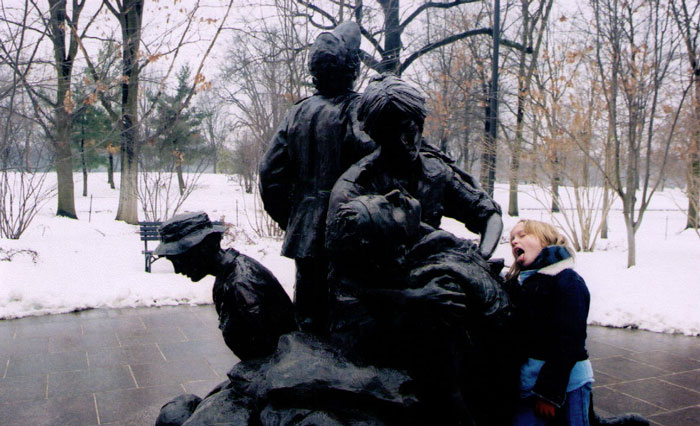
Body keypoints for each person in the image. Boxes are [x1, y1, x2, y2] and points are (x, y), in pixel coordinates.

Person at [324, 74, 512, 425]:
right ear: (375, 134)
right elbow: (343, 284)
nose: (405, 139)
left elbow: (488, 214)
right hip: (374, 304)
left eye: (410, 128)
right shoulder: (353, 189)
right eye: (391, 131)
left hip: (428, 286)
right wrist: (411, 295)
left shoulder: (435, 172)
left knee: (481, 312)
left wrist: (478, 260)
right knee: (440, 331)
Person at [259, 22, 375, 334]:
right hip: (345, 230)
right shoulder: (356, 109)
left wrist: (294, 217)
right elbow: (375, 161)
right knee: (344, 312)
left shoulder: (296, 113)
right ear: (351, 68)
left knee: (308, 314)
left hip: (306, 231)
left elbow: (269, 173)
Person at [154, 211, 296, 361]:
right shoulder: (230, 274)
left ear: (204, 248)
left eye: (179, 259)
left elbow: (265, 356)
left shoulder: (240, 285)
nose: (177, 270)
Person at [506, 219, 594, 426]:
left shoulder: (567, 280)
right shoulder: (524, 284)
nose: (514, 241)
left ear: (545, 240)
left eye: (522, 235)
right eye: (511, 239)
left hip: (567, 384)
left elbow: (569, 341)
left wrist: (549, 394)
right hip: (529, 382)